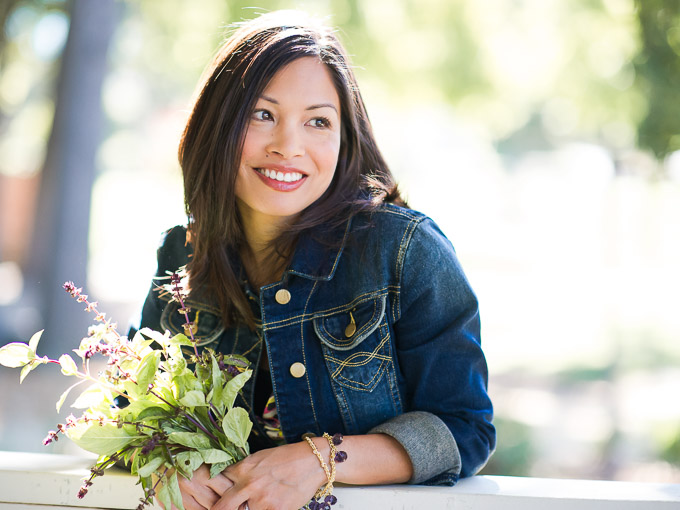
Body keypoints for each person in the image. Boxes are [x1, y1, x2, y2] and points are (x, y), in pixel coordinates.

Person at [131, 10, 495, 510]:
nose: (288, 146)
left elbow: (464, 430)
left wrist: (320, 460)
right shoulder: (181, 254)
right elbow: (131, 404)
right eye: (262, 115)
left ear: (345, 139)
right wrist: (166, 458)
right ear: (219, 124)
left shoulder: (404, 250)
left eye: (318, 121)